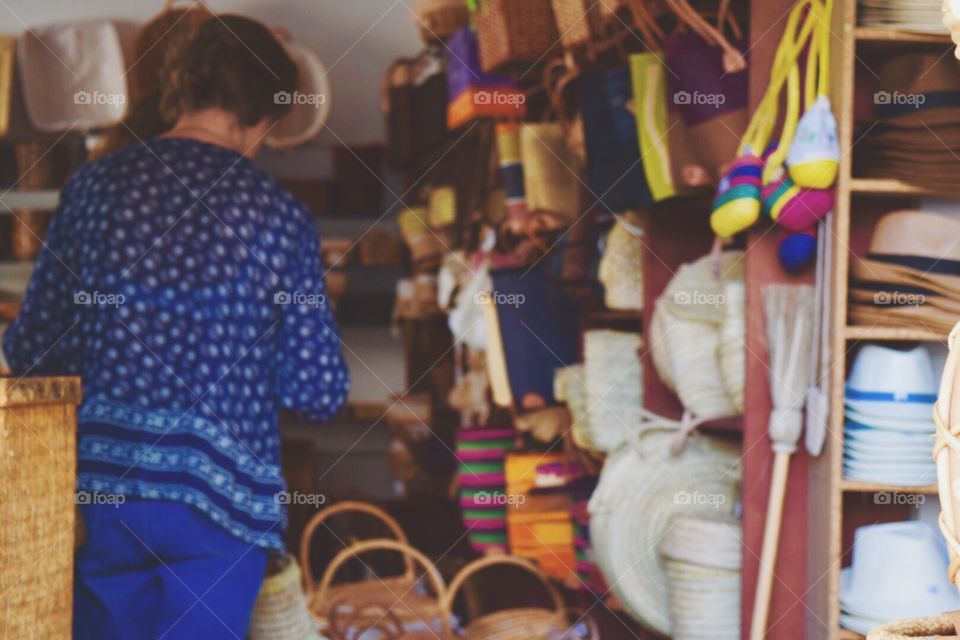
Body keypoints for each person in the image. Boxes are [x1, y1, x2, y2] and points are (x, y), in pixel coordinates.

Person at [2, 15, 349, 639]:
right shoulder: (282, 219)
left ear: (181, 91)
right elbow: (315, 391)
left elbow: (32, 353)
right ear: (262, 112)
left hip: (105, 496)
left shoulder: (95, 188)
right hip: (222, 511)